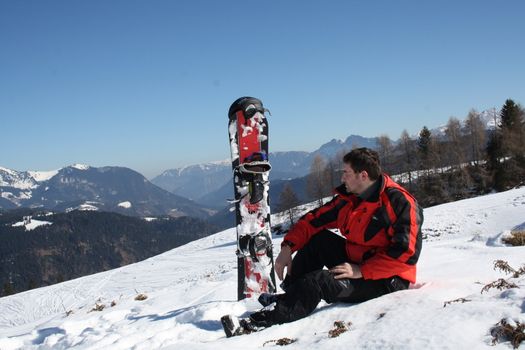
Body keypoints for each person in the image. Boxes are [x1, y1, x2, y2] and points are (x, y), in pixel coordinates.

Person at [246, 147, 423, 330]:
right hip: (358, 263)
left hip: (387, 279)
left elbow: (406, 255)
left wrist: (362, 270)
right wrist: (287, 248)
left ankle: (266, 320)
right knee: (317, 240)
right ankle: (293, 295)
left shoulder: (399, 202)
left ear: (363, 175)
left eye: (346, 173)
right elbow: (312, 221)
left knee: (320, 281)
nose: (342, 178)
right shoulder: (351, 199)